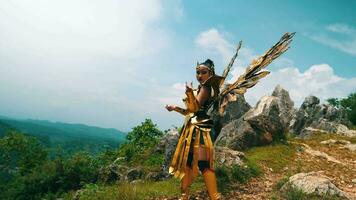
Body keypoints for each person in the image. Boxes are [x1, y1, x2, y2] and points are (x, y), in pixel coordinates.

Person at [165, 59, 222, 200]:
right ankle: (184, 196)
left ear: (211, 73)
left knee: (203, 164)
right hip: (192, 129)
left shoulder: (207, 88)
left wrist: (190, 93)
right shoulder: (201, 88)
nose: (200, 75)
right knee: (189, 162)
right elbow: (190, 112)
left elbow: (194, 108)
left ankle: (215, 197)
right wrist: (175, 108)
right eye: (198, 72)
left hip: (201, 131)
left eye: (204, 72)